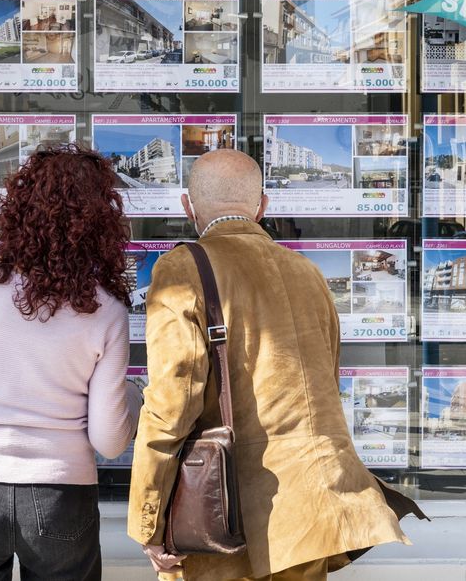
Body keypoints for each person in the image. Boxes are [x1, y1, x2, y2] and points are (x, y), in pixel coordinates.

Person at [128, 150, 424, 580]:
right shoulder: (307, 272)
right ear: (262, 206)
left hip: (228, 517)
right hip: (313, 510)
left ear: (187, 207)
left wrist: (147, 520)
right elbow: (327, 379)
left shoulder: (182, 269)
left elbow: (170, 407)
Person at [0, 146, 142, 581]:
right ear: (100, 221)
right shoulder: (107, 308)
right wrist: (132, 398)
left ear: (20, 207)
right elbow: (109, 441)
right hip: (61, 492)